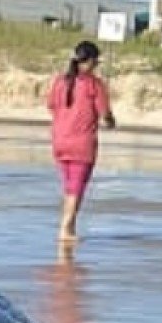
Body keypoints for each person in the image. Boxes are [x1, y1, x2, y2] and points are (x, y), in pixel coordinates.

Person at [45, 40, 117, 243]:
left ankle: (69, 227)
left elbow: (51, 106)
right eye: (96, 62)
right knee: (76, 188)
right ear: (90, 61)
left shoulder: (60, 81)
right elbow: (105, 113)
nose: (96, 66)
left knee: (69, 186)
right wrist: (111, 122)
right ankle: (65, 229)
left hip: (59, 140)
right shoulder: (94, 84)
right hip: (82, 143)